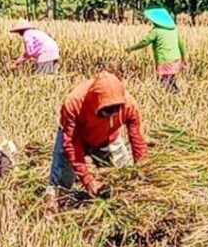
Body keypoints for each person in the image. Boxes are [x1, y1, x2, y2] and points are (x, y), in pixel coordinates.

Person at [47, 71, 148, 204]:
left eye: (115, 110)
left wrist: (144, 172)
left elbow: (137, 142)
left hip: (107, 138)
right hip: (77, 138)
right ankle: (54, 209)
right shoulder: (74, 103)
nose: (110, 116)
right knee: (60, 185)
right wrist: (87, 179)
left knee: (123, 179)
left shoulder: (129, 106)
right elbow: (71, 143)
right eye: (106, 111)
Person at [127, 7, 188, 92]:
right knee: (171, 80)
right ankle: (176, 94)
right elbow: (182, 44)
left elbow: (144, 42)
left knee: (164, 82)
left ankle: (170, 97)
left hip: (165, 60)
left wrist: (131, 48)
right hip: (176, 59)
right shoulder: (173, 30)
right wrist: (184, 58)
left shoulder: (156, 31)